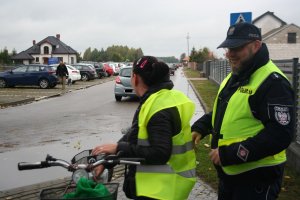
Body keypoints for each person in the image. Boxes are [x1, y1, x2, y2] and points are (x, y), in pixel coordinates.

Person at [191, 22, 294, 200]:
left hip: (257, 179)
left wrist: (230, 154)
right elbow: (225, 111)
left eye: (236, 48)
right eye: (228, 48)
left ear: (256, 46)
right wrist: (202, 126)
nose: (230, 54)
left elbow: (280, 134)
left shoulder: (273, 82)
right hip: (230, 175)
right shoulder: (237, 74)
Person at [92, 56, 197, 200]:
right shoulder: (160, 98)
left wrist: (118, 147)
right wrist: (107, 160)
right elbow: (134, 137)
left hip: (159, 191)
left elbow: (160, 153)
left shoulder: (158, 108)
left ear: (135, 78)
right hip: (162, 187)